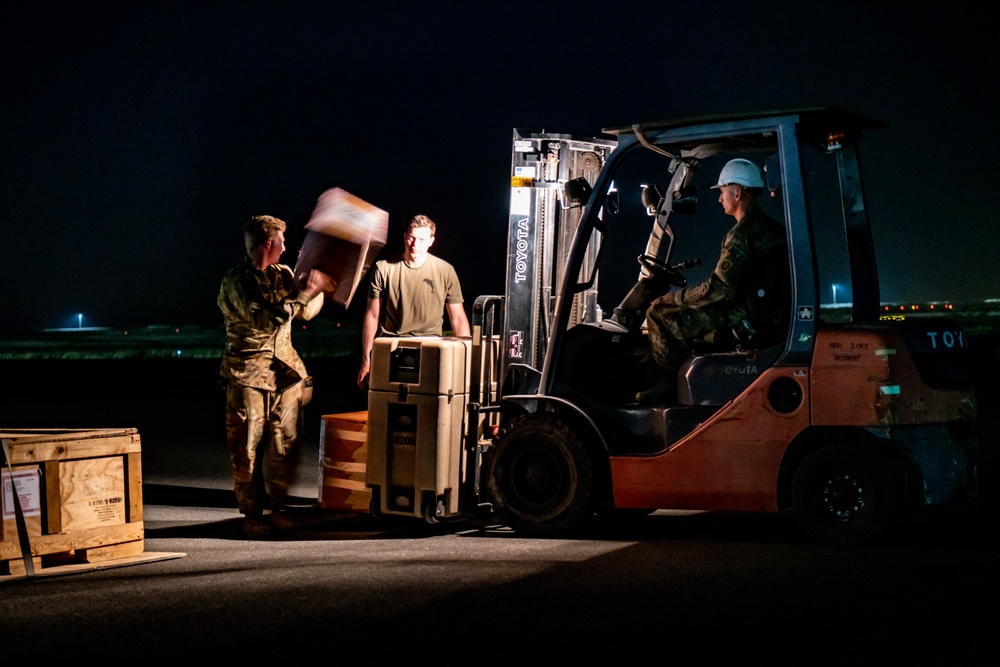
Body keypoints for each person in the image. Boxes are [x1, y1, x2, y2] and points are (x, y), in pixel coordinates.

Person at [218, 214, 335, 537]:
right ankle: (252, 514)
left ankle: (279, 508)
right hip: (249, 376)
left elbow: (306, 312)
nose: (286, 248)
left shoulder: (282, 275)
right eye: (282, 241)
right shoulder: (236, 281)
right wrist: (302, 293)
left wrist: (315, 285)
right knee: (247, 448)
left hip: (285, 374)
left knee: (287, 444)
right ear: (268, 243)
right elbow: (265, 319)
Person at [637, 158, 788, 406]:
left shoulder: (741, 235)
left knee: (658, 314)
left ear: (737, 192)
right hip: (761, 309)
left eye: (723, 192)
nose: (720, 199)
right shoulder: (772, 228)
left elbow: (717, 289)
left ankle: (669, 385)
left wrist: (674, 298)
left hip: (740, 310)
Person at [357, 214, 471, 389]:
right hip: (390, 346)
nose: (414, 244)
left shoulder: (446, 271)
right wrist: (366, 360)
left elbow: (458, 318)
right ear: (404, 236)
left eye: (421, 239)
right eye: (411, 237)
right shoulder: (383, 268)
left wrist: (465, 363)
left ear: (431, 241)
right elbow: (372, 315)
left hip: (431, 348)